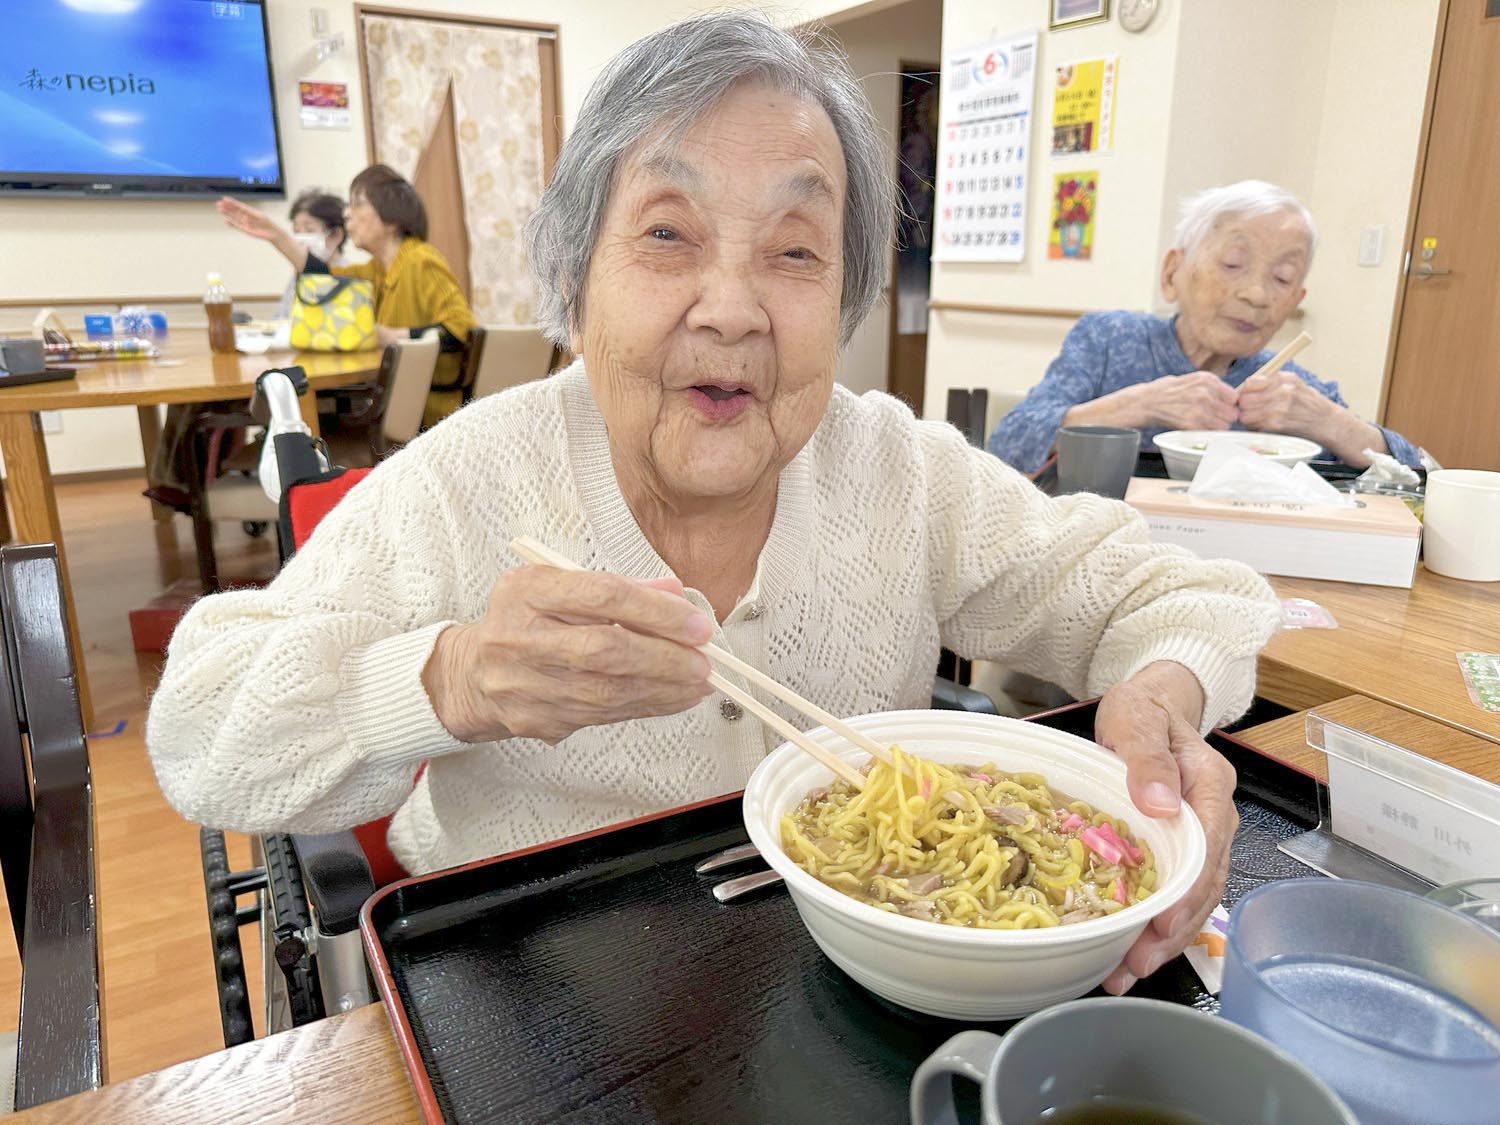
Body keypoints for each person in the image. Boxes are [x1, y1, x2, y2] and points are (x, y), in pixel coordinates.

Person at [149, 12, 1281, 996]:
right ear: (573, 276)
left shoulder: (894, 469)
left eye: (795, 250)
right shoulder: (475, 479)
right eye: (666, 235)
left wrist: (1163, 695)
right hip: (531, 986)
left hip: (857, 979)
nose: (732, 308)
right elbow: (200, 732)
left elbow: (1183, 593)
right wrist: (450, 679)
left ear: (843, 296)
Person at [987, 180, 1423, 475]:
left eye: (1282, 278)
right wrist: (1139, 404)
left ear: (1295, 301)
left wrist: (1329, 422)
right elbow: (1006, 445)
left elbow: (1422, 477)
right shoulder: (1107, 340)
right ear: (1174, 272)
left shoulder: (1290, 391)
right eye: (1234, 264)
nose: (1256, 294)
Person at [218, 164, 477, 424]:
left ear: (392, 217)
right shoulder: (378, 270)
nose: (346, 214)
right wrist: (276, 236)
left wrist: (390, 336)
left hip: (431, 416)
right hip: (398, 409)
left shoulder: (421, 260)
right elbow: (323, 277)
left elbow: (462, 331)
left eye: (358, 204)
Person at [277, 189, 348, 317]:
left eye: (309, 230)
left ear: (336, 235)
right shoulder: (298, 276)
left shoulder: (350, 275)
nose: (301, 239)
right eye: (296, 231)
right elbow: (280, 320)